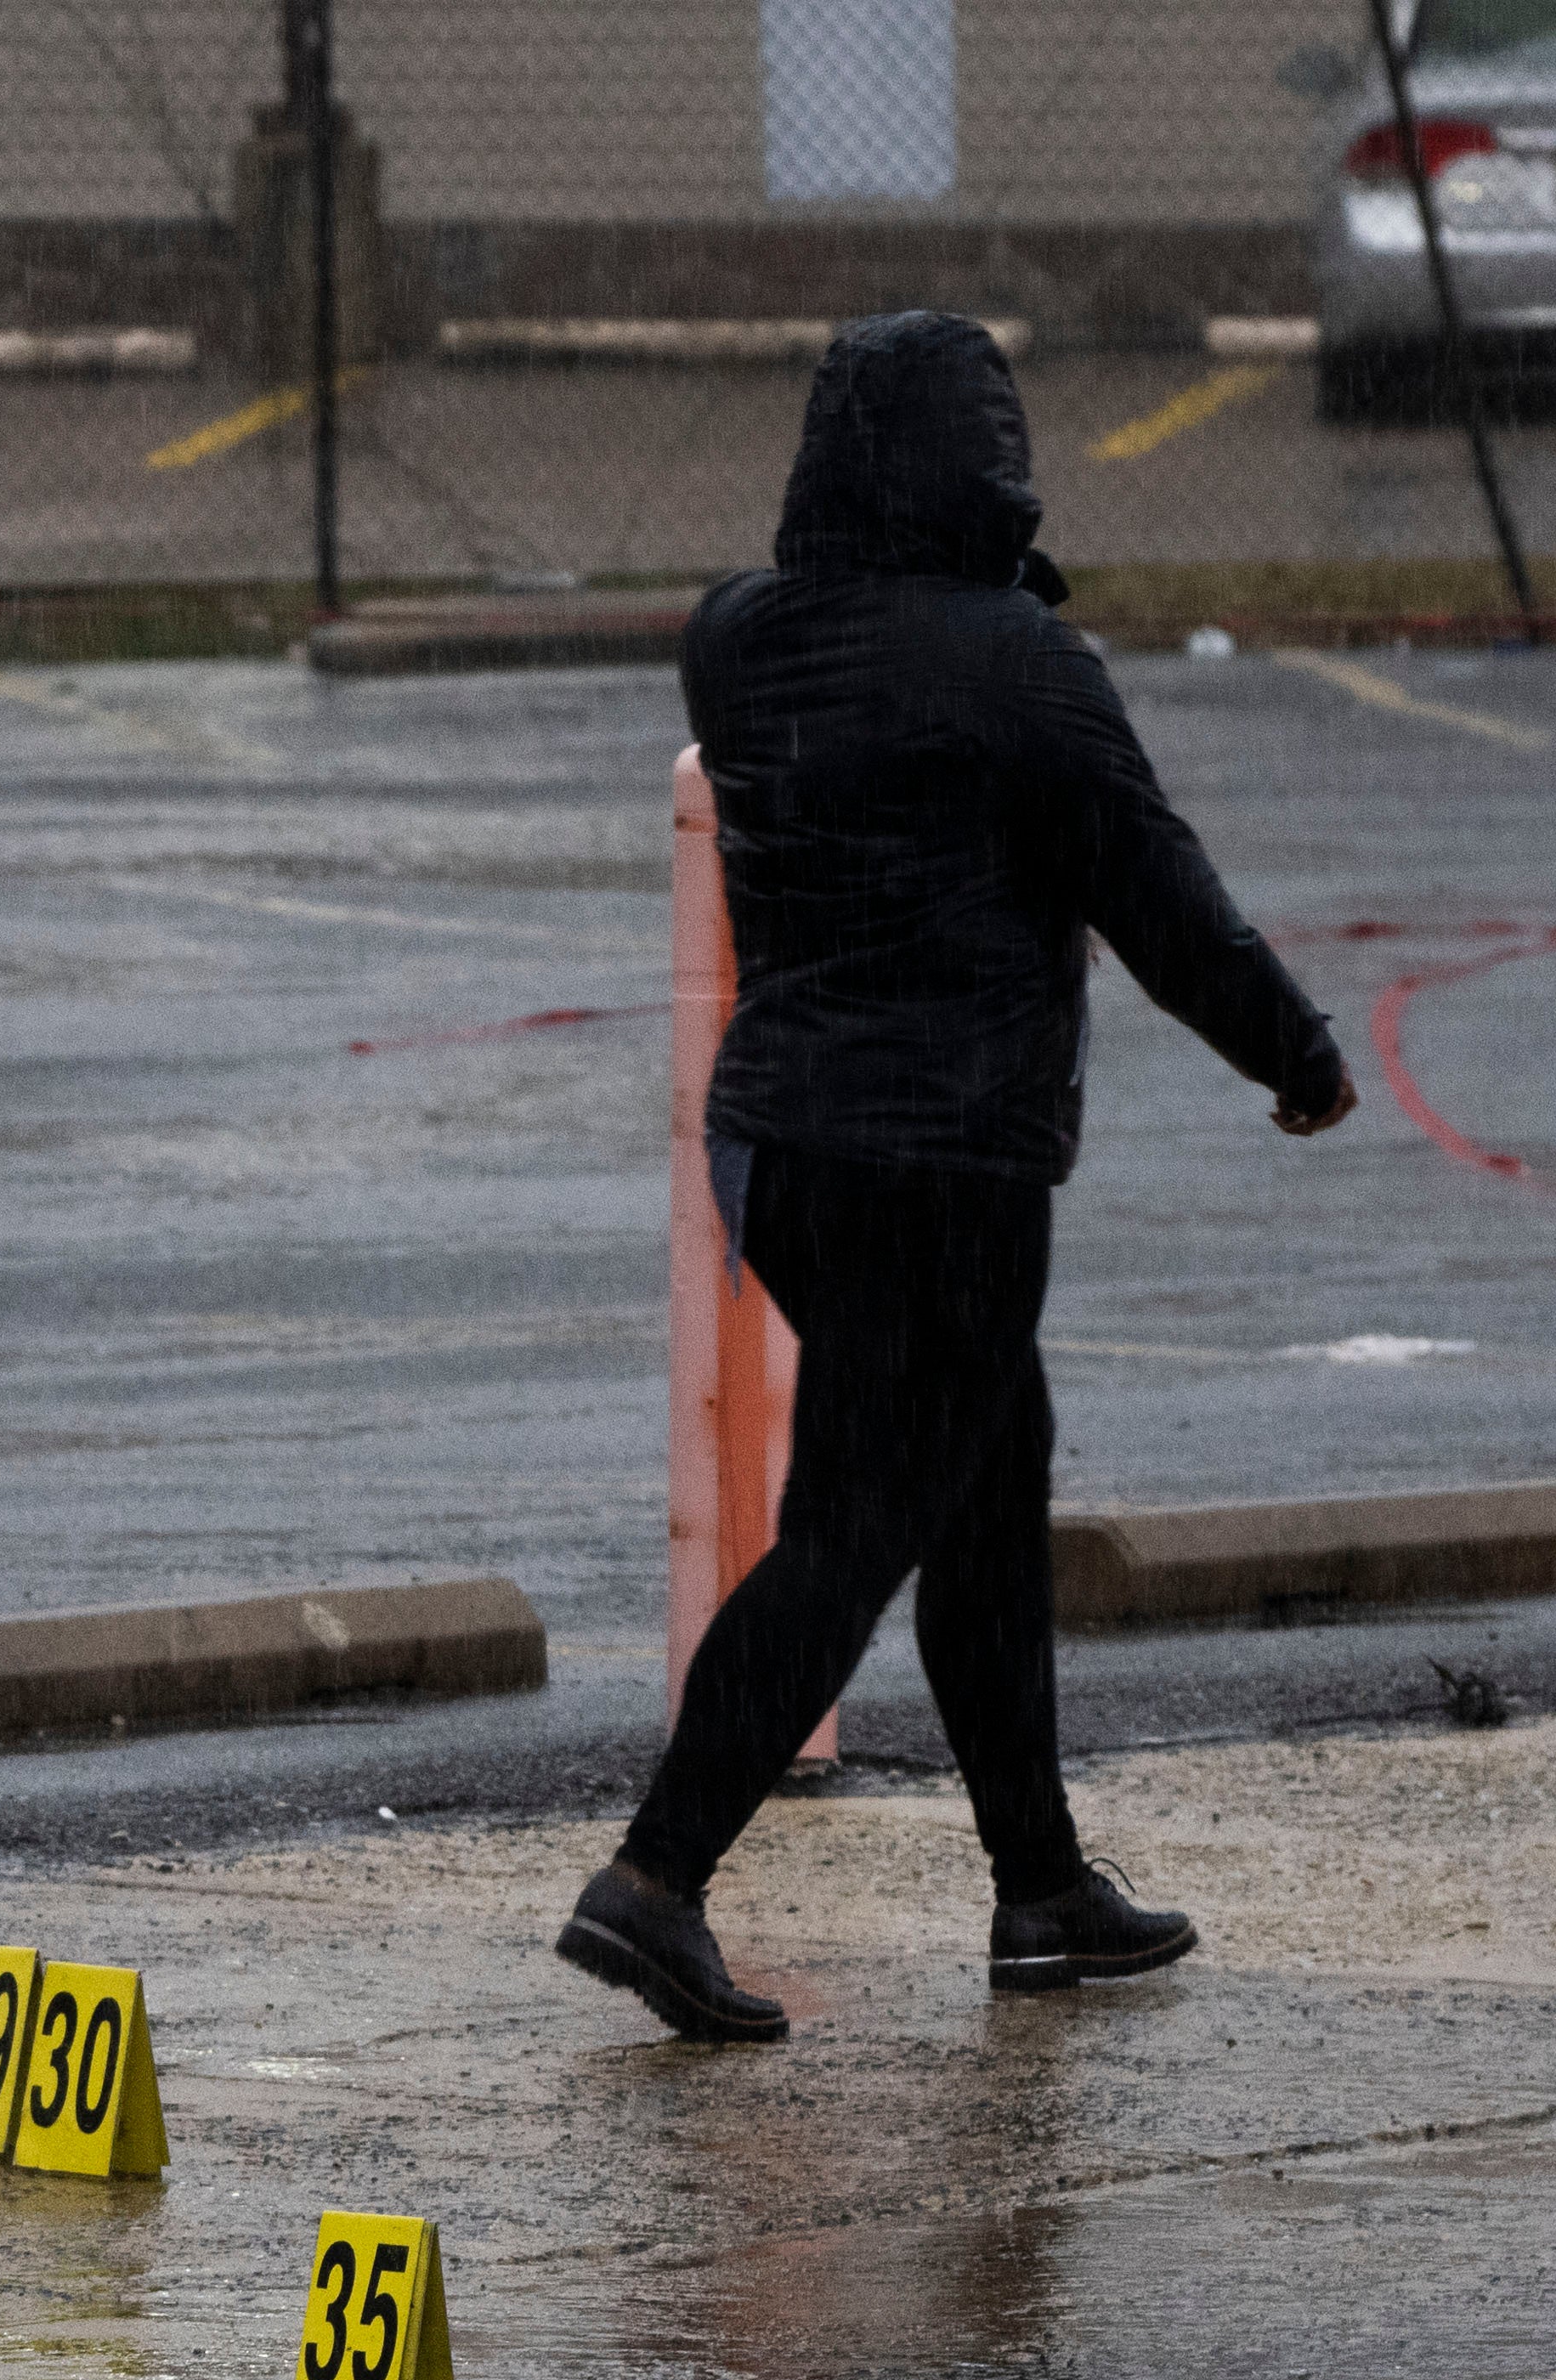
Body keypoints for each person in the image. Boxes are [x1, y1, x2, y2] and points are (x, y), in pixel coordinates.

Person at [558, 311, 1358, 2048]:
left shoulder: (736, 641)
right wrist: (1296, 1058)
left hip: (777, 1150)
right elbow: (1159, 894)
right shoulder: (1019, 666)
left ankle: (1041, 1888)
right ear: (984, 462)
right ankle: (654, 1876)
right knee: (855, 1527)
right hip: (946, 1164)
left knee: (987, 1491)